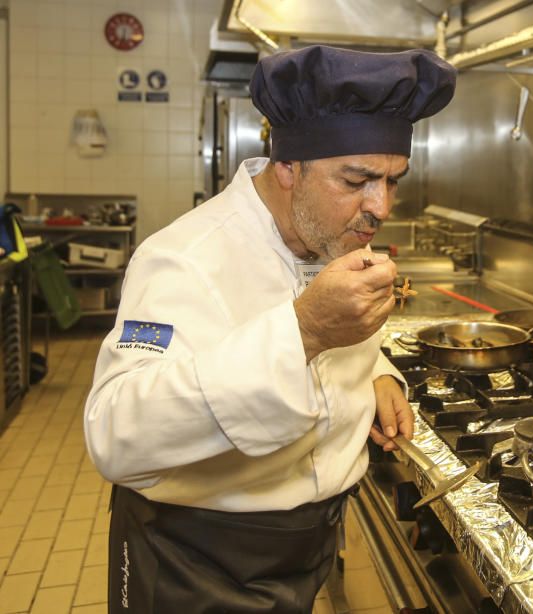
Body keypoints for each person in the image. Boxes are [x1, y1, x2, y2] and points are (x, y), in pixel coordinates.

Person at [83, 45, 457, 613]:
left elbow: (331, 352)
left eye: (392, 180)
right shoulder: (183, 258)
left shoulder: (335, 235)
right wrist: (304, 331)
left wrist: (375, 374)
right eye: (357, 179)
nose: (380, 206)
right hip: (197, 558)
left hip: (306, 545)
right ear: (289, 168)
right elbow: (115, 435)